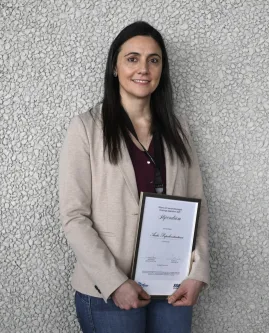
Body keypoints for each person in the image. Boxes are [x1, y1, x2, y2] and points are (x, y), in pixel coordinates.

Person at [59, 21, 210, 333]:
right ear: (115, 66)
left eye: (153, 60)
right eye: (133, 58)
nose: (143, 68)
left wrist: (199, 271)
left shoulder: (178, 130)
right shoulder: (86, 129)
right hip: (109, 291)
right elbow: (74, 217)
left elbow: (197, 206)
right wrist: (114, 282)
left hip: (171, 287)